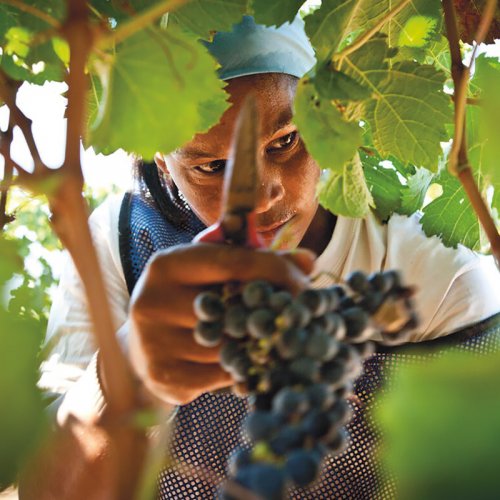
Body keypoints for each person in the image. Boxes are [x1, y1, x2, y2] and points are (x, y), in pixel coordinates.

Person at [39, 16, 500, 499]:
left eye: (285, 141)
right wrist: (125, 376)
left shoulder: (439, 283)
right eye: (211, 166)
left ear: (326, 121)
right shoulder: (120, 241)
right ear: (164, 166)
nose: (260, 197)